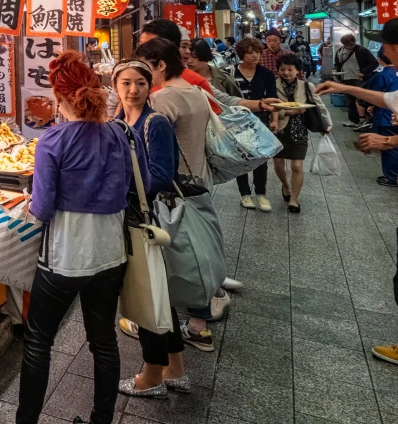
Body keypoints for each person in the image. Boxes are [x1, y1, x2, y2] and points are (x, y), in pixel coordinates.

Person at [318, 17, 398, 372]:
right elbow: (394, 99)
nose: (382, 51)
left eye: (386, 45)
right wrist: (346, 89)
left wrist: (387, 140)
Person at [17, 52, 135, 424]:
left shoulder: (52, 141)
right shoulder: (119, 133)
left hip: (64, 257)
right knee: (104, 342)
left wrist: (27, 203)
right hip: (110, 254)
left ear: (59, 95)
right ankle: (102, 419)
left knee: (38, 342)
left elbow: (43, 208)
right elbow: (136, 186)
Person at [133, 38, 220, 350]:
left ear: (160, 66)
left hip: (172, 189)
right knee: (195, 251)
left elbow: (148, 147)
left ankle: (177, 322)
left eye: (146, 69)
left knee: (177, 255)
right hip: (197, 180)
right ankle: (199, 321)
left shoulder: (163, 99)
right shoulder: (194, 90)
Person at [111, 61, 191, 398]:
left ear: (150, 86)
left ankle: (152, 374)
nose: (133, 90)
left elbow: (160, 174)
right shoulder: (119, 121)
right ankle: (176, 368)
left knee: (147, 298)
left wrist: (117, 184)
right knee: (159, 296)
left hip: (147, 221)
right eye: (126, 83)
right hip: (132, 219)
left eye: (140, 83)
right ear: (115, 86)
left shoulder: (154, 123)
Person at [230, 38, 278, 210]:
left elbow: (273, 99)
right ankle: (244, 194)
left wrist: (274, 119)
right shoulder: (231, 72)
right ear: (242, 54)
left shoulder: (266, 74)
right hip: (237, 120)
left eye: (257, 52)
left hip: (261, 119)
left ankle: (261, 194)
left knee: (261, 157)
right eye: (250, 52)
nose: (255, 55)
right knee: (241, 157)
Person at [271, 54, 320, 213]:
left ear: (298, 70)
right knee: (278, 163)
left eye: (290, 69)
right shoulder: (272, 84)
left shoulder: (307, 86)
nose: (286, 72)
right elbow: (271, 106)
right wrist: (289, 112)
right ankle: (286, 186)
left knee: (297, 165)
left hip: (299, 129)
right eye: (282, 69)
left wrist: (327, 124)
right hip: (278, 128)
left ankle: (294, 200)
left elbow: (318, 106)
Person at [360, 49, 398, 187]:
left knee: (389, 146)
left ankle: (392, 176)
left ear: (379, 60)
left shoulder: (381, 75)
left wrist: (369, 106)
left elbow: (372, 93)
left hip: (385, 115)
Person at [335, 33, 378, 126]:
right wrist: (335, 70)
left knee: (361, 100)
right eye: (347, 45)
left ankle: (364, 120)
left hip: (360, 80)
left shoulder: (362, 50)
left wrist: (363, 72)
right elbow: (337, 63)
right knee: (349, 101)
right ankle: (353, 121)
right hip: (345, 79)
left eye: (351, 44)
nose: (349, 46)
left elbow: (374, 63)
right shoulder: (339, 51)